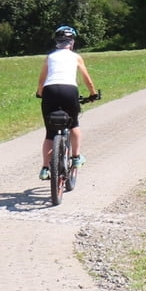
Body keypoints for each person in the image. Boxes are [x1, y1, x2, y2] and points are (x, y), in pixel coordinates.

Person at [35, 25, 97, 181]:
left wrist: (39, 93)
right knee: (73, 124)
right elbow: (87, 79)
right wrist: (93, 93)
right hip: (69, 91)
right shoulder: (75, 57)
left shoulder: (50, 57)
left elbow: (42, 79)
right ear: (72, 42)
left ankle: (45, 168)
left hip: (50, 91)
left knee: (50, 132)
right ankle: (76, 157)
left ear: (57, 42)